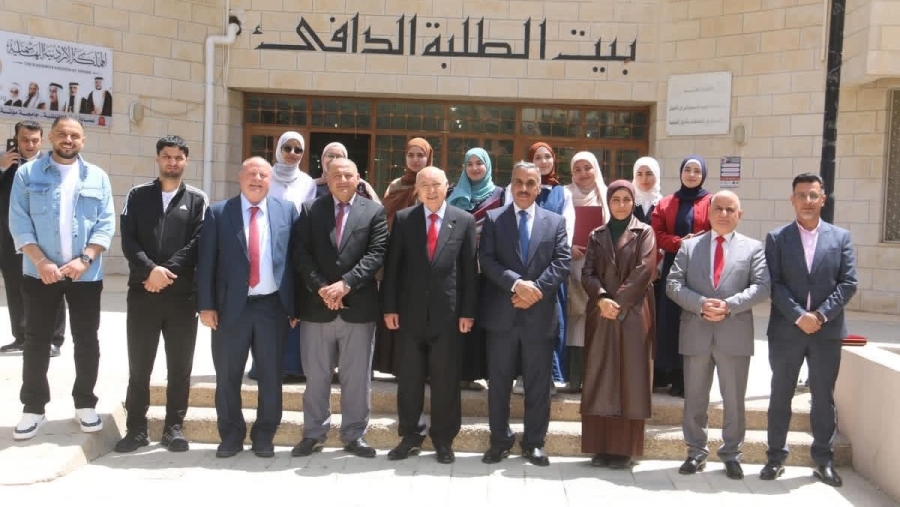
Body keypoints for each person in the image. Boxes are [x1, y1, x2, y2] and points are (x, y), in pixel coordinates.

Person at [9, 115, 115, 441]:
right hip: (40, 274)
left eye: (75, 135)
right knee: (36, 341)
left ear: (83, 140)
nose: (68, 140)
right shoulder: (28, 174)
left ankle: (85, 404)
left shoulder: (97, 176)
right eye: (62, 134)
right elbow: (18, 220)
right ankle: (33, 408)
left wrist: (86, 259)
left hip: (85, 275)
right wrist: (41, 261)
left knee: (86, 340)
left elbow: (106, 223)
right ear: (51, 138)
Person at [197, 157, 298, 458]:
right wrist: (206, 305)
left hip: (273, 308)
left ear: (271, 180)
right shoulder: (218, 212)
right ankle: (230, 435)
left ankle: (265, 435)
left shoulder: (287, 211)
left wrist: (295, 306)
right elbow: (206, 262)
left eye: (263, 175)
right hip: (230, 309)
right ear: (240, 177)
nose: (257, 179)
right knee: (228, 376)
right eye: (251, 174)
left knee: (271, 376)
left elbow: (295, 261)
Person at [761, 173, 858, 488]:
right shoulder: (777, 238)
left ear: (822, 199)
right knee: (780, 394)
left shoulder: (841, 238)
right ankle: (775, 457)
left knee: (823, 397)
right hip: (786, 331)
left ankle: (823, 461)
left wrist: (820, 315)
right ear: (792, 200)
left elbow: (848, 283)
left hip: (825, 332)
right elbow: (773, 283)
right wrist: (798, 316)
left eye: (813, 195)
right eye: (801, 195)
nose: (807, 201)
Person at [666, 191, 771, 480]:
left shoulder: (753, 248)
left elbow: (762, 286)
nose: (724, 214)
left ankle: (732, 454)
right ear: (709, 213)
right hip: (696, 332)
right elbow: (673, 284)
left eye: (730, 209)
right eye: (719, 209)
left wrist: (729, 306)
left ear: (740, 214)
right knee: (695, 398)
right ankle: (695, 452)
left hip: (733, 333)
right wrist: (701, 304)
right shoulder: (689, 247)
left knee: (734, 399)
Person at [115, 135, 208, 453]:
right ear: (157, 158)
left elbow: (197, 243)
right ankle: (136, 429)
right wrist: (149, 271)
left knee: (179, 368)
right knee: (140, 367)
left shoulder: (197, 200)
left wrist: (165, 273)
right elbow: (128, 240)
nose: (172, 162)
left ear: (186, 161)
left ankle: (174, 428)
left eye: (178, 157)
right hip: (143, 293)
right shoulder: (137, 195)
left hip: (181, 298)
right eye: (167, 156)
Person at [291, 158, 388, 459]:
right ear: (327, 178)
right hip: (317, 307)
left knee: (356, 378)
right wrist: (322, 287)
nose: (342, 180)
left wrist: (345, 284)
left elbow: (376, 254)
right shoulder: (310, 210)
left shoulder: (374, 212)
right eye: (336, 175)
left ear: (359, 178)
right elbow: (301, 254)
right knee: (316, 377)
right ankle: (313, 434)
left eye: (348, 175)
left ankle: (354, 434)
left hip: (358, 308)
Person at [382, 166, 477, 464]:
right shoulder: (404, 219)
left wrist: (468, 312)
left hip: (448, 316)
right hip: (409, 315)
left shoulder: (464, 221)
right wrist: (389, 307)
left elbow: (469, 272)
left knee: (445, 381)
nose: (431, 190)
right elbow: (393, 268)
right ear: (417, 190)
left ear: (447, 186)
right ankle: (410, 436)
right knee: (409, 380)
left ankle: (443, 440)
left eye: (436, 184)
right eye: (425, 185)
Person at [479, 161, 571, 467]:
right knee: (499, 384)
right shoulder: (494, 219)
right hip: (502, 317)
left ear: (539, 187)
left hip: (539, 317)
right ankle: (499, 441)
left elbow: (562, 262)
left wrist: (535, 290)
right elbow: (486, 260)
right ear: (511, 184)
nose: (523, 188)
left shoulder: (555, 222)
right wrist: (517, 284)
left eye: (530, 183)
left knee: (538, 385)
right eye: (518, 182)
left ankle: (534, 443)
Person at [580, 180, 655, 469]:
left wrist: (618, 302)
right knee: (600, 377)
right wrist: (601, 298)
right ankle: (600, 447)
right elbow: (587, 273)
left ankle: (624, 450)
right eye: (616, 199)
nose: (621, 205)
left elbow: (644, 270)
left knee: (629, 378)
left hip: (632, 314)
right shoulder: (597, 234)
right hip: (601, 314)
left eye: (626, 199)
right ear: (608, 202)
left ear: (633, 202)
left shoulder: (644, 232)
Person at [505, 142, 575, 391]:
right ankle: (521, 375)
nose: (543, 161)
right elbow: (508, 227)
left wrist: (540, 283)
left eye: (547, 157)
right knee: (517, 325)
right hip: (518, 273)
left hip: (548, 276)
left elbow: (567, 234)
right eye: (538, 157)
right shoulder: (513, 189)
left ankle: (549, 377)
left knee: (549, 326)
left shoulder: (563, 193)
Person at [247, 131, 316, 381]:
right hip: (265, 250)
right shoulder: (265, 176)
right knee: (266, 312)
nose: (292, 154)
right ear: (278, 149)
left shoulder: (307, 182)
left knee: (291, 308)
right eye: (288, 148)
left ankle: (293, 368)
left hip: (294, 252)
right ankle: (262, 367)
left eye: (298, 150)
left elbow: (306, 216)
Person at [0, 121, 67, 356]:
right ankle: (21, 337)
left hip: (44, 238)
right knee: (15, 288)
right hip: (10, 238)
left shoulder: (51, 165)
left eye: (34, 140)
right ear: (15, 139)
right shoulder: (6, 164)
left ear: (42, 140)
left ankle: (54, 339)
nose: (29, 145)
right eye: (24, 140)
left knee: (51, 285)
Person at [650, 156, 712, 397]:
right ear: (680, 173)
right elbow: (655, 233)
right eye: (688, 169)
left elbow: (719, 228)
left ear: (703, 175)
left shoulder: (712, 201)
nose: (692, 174)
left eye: (697, 170)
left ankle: (691, 378)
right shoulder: (666, 203)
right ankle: (671, 373)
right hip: (673, 267)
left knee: (695, 320)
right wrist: (679, 242)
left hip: (700, 268)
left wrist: (697, 242)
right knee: (671, 321)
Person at [373, 137, 433, 376]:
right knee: (396, 313)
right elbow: (385, 218)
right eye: (411, 155)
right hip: (399, 257)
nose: (416, 160)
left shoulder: (433, 182)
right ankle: (396, 367)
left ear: (429, 157)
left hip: (426, 260)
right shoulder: (396, 185)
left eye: (421, 155)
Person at [446, 147, 504, 390]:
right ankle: (453, 373)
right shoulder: (452, 192)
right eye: (469, 164)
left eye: (479, 163)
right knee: (454, 317)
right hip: (455, 265)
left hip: (486, 267)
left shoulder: (500, 194)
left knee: (480, 318)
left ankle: (475, 373)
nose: (474, 168)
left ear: (487, 166)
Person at [563, 151, 610, 394]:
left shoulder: (607, 194)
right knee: (573, 319)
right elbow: (555, 225)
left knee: (595, 319)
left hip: (598, 267)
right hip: (569, 265)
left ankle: (594, 379)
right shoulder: (564, 194)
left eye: (587, 167)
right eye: (577, 169)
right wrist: (567, 246)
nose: (583, 173)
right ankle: (572, 378)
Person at [314, 142, 379, 202]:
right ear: (322, 159)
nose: (334, 160)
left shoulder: (361, 186)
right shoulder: (312, 186)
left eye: (339, 156)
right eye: (330, 156)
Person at [632, 156, 662, 225]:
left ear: (656, 175)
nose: (644, 179)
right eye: (639, 174)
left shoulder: (663, 204)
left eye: (649, 174)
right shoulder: (628, 202)